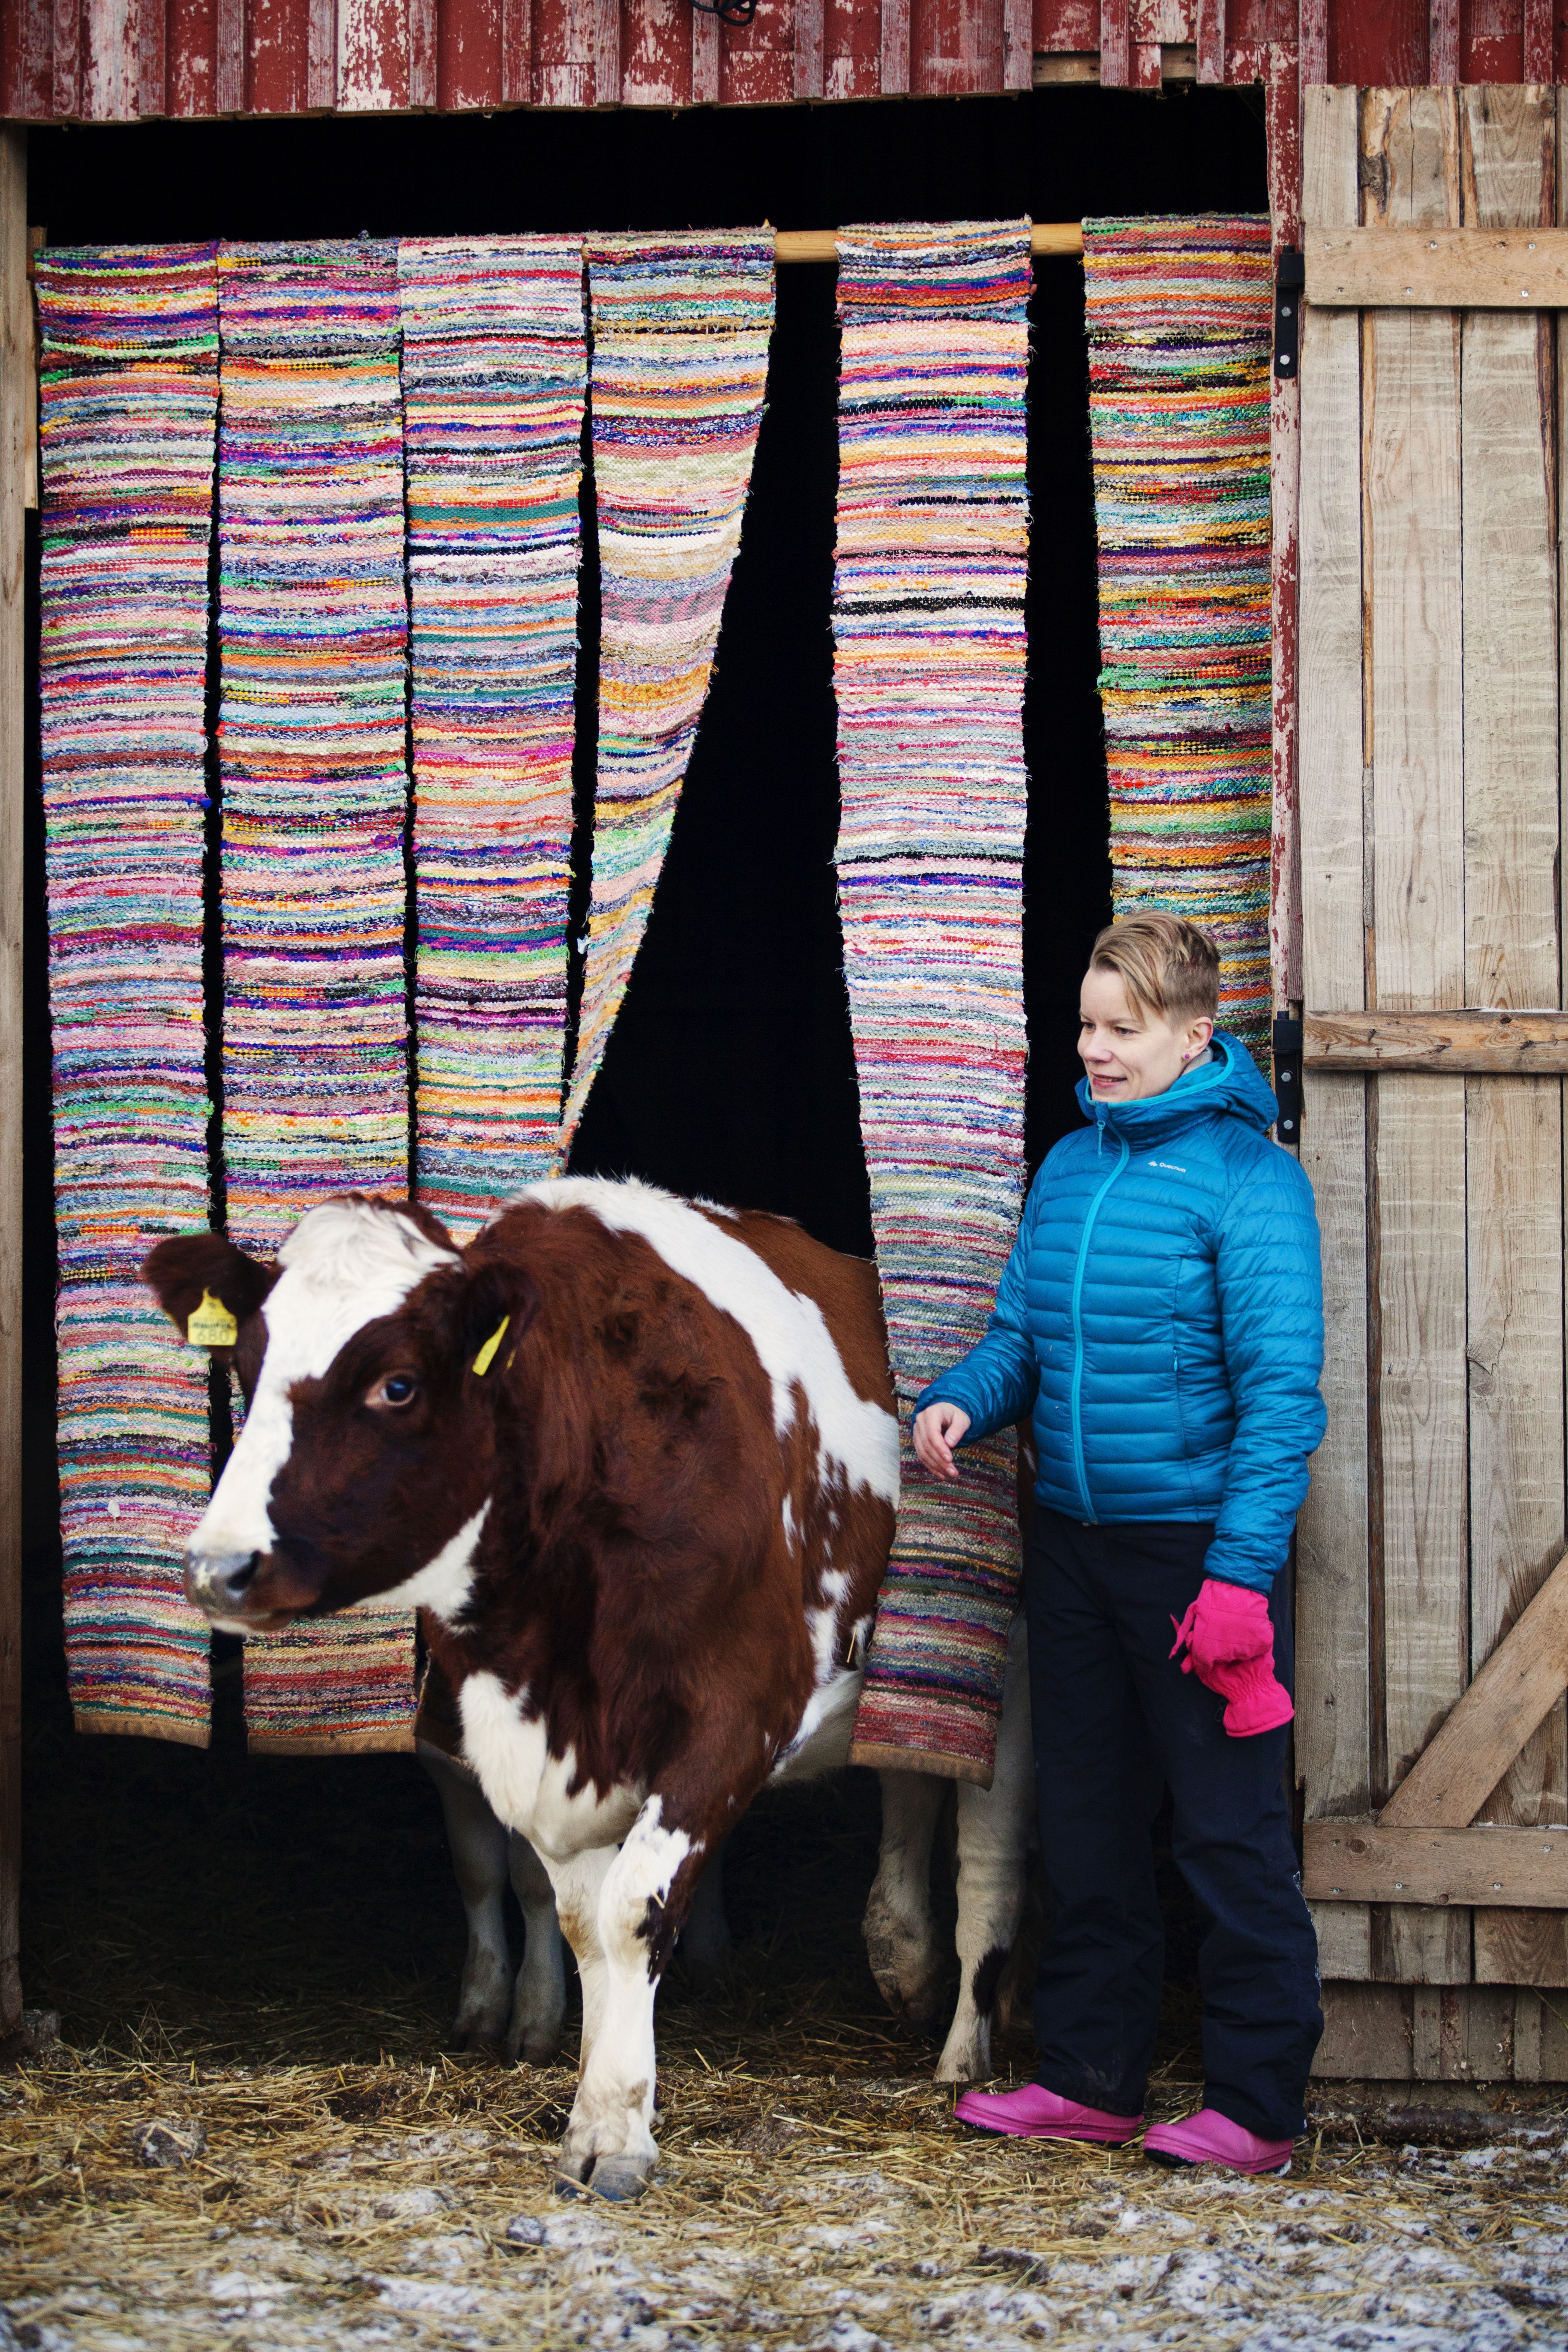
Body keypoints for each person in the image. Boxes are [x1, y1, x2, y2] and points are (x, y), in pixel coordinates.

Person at [917, 911, 1325, 2178]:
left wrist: (1237, 1579)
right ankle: (1089, 2077)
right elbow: (1022, 1336)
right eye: (1084, 1026)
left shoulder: (1249, 1182)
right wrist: (965, 1398)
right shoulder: (1069, 1170)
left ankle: (1257, 2103)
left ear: (1194, 1034)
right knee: (1084, 1821)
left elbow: (1281, 1398)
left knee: (1220, 1828)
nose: (1091, 1050)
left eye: (1119, 1028)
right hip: (1072, 1544)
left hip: (1191, 1553)